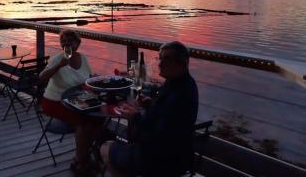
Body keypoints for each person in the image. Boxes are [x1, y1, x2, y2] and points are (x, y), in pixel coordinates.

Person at [100, 41, 198, 177]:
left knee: (105, 148)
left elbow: (156, 137)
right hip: (181, 156)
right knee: (117, 141)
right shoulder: (184, 83)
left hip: (160, 160)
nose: (160, 64)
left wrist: (134, 117)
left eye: (166, 59)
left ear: (181, 63)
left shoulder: (178, 95)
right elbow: (167, 118)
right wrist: (150, 105)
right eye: (160, 58)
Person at [39, 29, 100, 175]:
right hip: (55, 101)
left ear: (78, 43)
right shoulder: (58, 59)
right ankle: (81, 161)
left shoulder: (83, 59)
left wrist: (95, 80)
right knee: (82, 122)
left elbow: (87, 80)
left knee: (98, 119)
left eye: (70, 41)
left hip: (77, 100)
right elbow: (41, 78)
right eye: (63, 42)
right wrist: (59, 65)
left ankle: (82, 154)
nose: (67, 45)